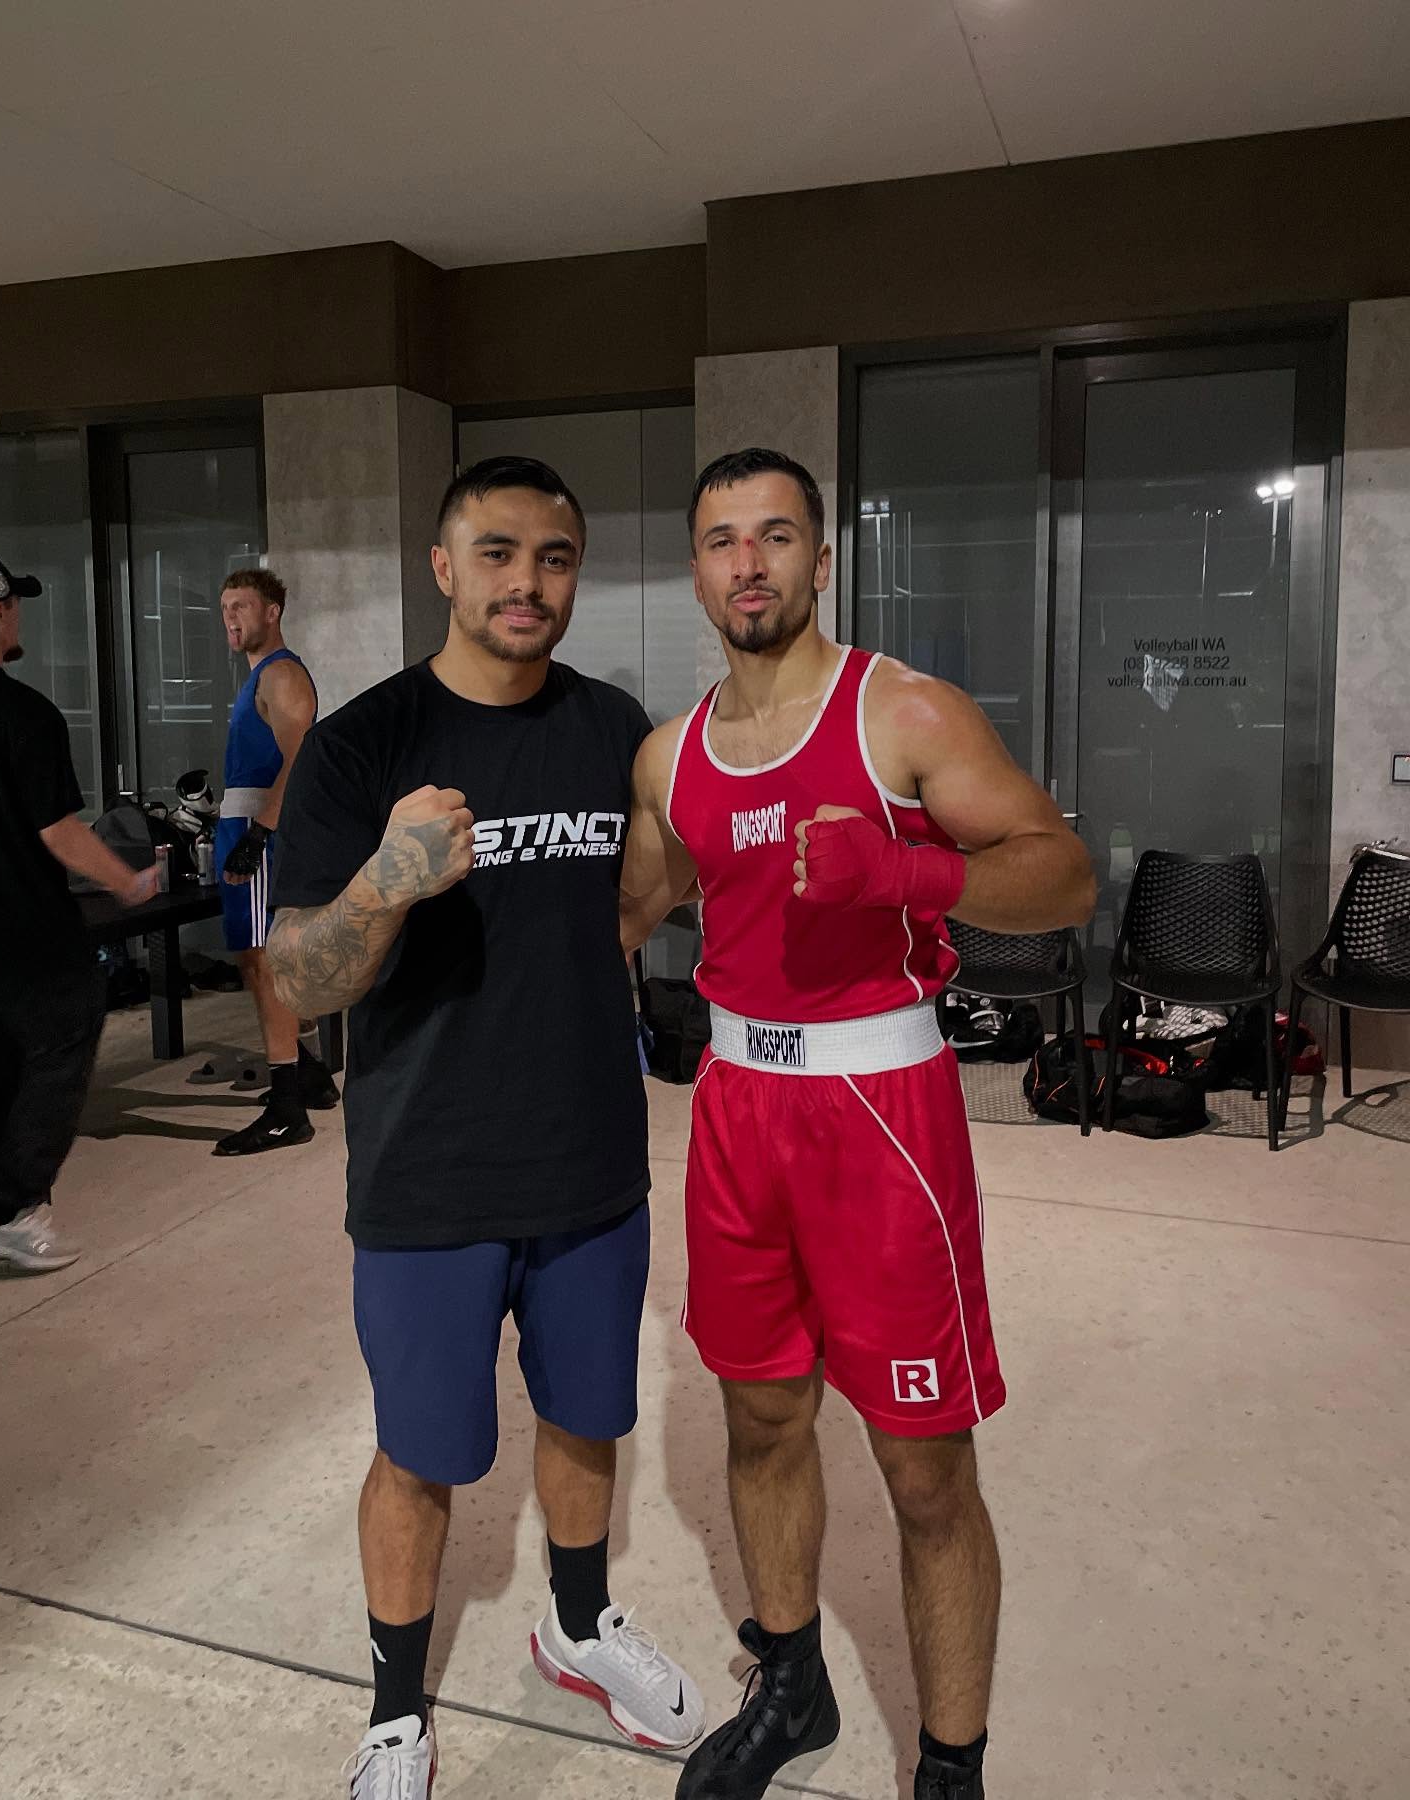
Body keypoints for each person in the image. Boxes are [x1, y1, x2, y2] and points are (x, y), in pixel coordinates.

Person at [619, 449, 1097, 1800]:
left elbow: (1061, 876)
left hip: (882, 1118)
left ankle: (950, 1765)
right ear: (698, 570)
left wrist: (912, 871)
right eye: (721, 541)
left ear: (822, 561)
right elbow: (622, 917)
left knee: (924, 1464)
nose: (749, 563)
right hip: (736, 1111)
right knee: (762, 1418)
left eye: (776, 536)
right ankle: (795, 1686)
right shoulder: (674, 755)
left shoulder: (905, 712)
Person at [263, 457, 704, 1797]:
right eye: (499, 553)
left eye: (555, 558)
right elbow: (300, 976)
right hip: (426, 1170)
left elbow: (622, 916)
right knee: (421, 1451)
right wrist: (389, 882)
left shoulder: (609, 724)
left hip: (587, 1160)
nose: (529, 582)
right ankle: (397, 1707)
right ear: (445, 569)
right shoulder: (364, 744)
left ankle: (576, 1623)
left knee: (585, 1419)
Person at [0, 548, 157, 1273]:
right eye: (14, 603)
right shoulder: (24, 714)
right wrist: (129, 884)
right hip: (26, 938)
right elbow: (61, 832)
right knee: (59, 1046)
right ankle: (12, 1209)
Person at [212, 567, 336, 1157]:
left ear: (272, 613)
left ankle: (288, 1105)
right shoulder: (258, 677)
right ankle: (306, 1074)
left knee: (265, 963)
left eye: (242, 606)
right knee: (250, 961)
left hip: (260, 828)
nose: (232, 618)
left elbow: (303, 757)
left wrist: (260, 835)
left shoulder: (281, 674)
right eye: (225, 608)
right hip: (243, 820)